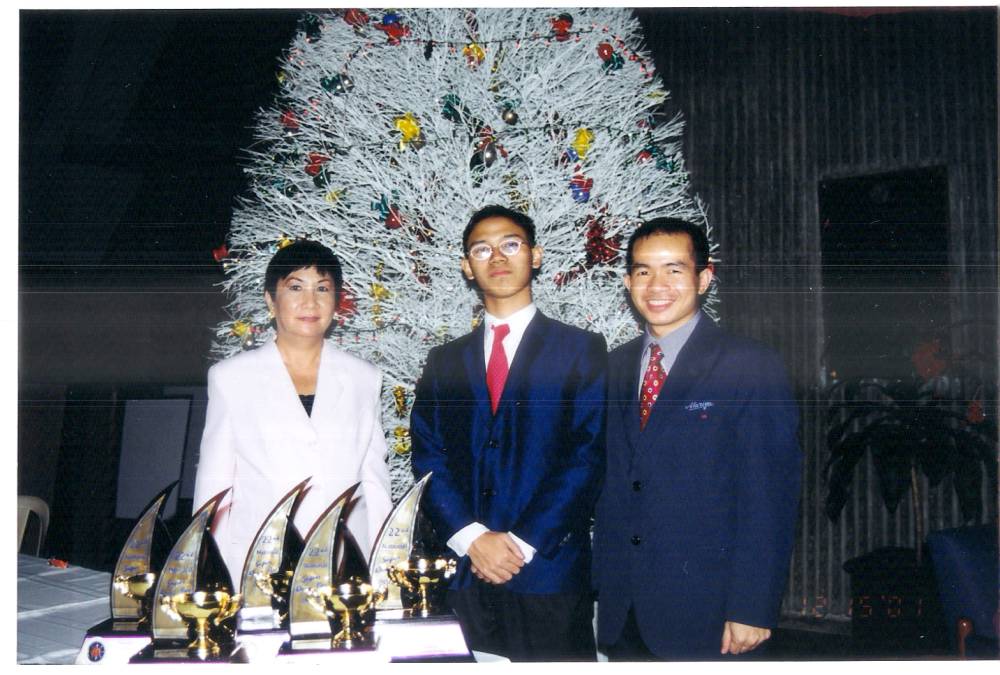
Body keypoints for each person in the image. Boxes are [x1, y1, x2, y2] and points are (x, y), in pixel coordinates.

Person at [592, 217, 801, 660]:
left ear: (704, 278)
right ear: (628, 282)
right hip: (625, 610)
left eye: (674, 269)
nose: (656, 284)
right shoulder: (613, 368)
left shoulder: (749, 365)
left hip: (712, 613)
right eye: (643, 271)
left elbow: (770, 497)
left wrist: (753, 607)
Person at [410, 205, 606, 661]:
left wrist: (518, 544)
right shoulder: (445, 361)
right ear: (466, 266)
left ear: (535, 255)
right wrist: (471, 538)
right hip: (465, 572)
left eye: (511, 244)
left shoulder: (580, 349)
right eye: (482, 249)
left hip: (549, 572)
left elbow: (588, 454)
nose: (497, 257)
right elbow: (429, 454)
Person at [193, 240, 392, 590]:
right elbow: (215, 486)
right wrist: (211, 572)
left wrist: (383, 570)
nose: (310, 302)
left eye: (323, 289)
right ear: (272, 301)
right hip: (259, 563)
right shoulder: (230, 378)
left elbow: (374, 483)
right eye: (295, 287)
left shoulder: (364, 378)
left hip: (343, 562)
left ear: (336, 302)